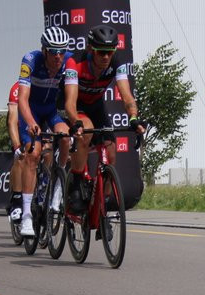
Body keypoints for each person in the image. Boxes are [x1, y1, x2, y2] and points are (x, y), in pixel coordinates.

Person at [62, 24, 144, 212]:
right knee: (86, 131)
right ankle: (76, 182)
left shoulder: (116, 62)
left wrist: (133, 118)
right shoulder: (75, 63)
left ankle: (103, 205)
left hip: (97, 106)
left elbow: (127, 95)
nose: (106, 57)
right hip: (77, 105)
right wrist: (76, 122)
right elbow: (70, 103)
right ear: (91, 49)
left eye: (110, 52)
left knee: (111, 154)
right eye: (101, 52)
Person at [15, 26, 77, 237]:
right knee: (33, 153)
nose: (58, 56)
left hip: (50, 111)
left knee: (66, 138)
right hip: (30, 111)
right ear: (44, 50)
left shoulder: (69, 61)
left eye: (62, 51)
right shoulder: (30, 59)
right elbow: (22, 99)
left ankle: (57, 189)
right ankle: (26, 216)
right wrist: (31, 122)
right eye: (53, 51)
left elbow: (70, 97)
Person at [5, 80, 24, 223]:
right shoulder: (17, 88)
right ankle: (17, 198)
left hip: (38, 121)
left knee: (48, 151)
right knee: (20, 157)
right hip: (19, 124)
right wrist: (17, 146)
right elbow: (12, 121)